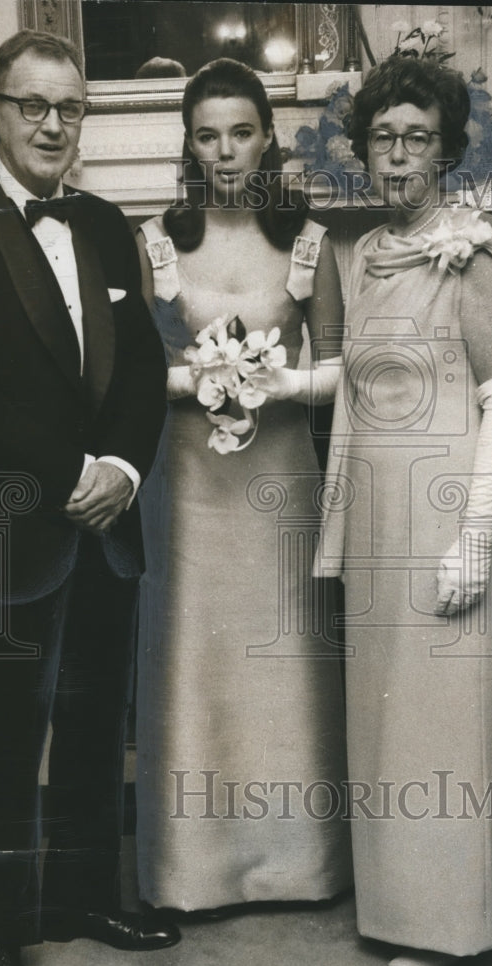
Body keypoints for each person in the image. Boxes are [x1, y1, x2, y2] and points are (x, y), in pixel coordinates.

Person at [0, 29, 179, 966]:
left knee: (96, 718)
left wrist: (123, 470)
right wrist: (74, 469)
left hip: (107, 514)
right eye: (33, 105)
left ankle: (82, 896)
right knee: (6, 728)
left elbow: (142, 363)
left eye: (69, 108)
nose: (54, 124)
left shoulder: (106, 222)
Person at [316, 54, 492, 966]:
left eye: (417, 139)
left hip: (444, 513)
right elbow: (350, 385)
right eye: (382, 139)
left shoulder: (471, 248)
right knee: (387, 723)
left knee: (442, 724)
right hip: (375, 517)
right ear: (362, 150)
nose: (397, 156)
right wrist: (237, 381)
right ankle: (398, 908)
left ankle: (455, 923)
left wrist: (473, 539)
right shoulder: (366, 254)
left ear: (445, 152)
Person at [134, 57, 351, 913]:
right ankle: (193, 871)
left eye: (241, 132)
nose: (225, 152)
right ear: (188, 144)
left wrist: (279, 384)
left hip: (278, 481)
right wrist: (198, 379)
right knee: (196, 660)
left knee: (285, 662)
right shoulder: (152, 239)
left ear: (268, 138)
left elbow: (338, 367)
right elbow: (130, 373)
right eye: (206, 135)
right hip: (187, 487)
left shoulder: (307, 243)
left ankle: (301, 866)